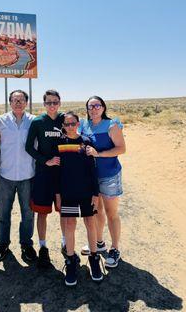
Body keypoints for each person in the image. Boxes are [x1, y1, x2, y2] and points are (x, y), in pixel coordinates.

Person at [56, 111, 103, 286]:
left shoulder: (86, 142)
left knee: (90, 223)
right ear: (63, 126)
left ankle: (94, 258)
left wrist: (95, 193)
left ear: (78, 123)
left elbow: (93, 171)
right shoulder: (60, 143)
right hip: (67, 192)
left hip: (86, 191)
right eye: (66, 124)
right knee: (69, 225)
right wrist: (58, 195)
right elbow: (57, 172)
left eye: (73, 123)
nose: (70, 127)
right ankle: (70, 262)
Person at [79, 96, 126, 268]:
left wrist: (99, 154)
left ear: (103, 107)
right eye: (90, 106)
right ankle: (99, 243)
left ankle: (115, 248)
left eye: (97, 105)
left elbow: (121, 148)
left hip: (109, 174)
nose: (94, 109)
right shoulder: (84, 125)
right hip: (91, 177)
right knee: (96, 211)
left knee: (111, 212)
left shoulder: (111, 125)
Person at [0, 90, 37, 263]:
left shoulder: (34, 121)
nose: (18, 102)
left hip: (28, 175)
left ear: (26, 102)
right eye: (14, 100)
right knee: (4, 212)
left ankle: (26, 244)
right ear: (10, 102)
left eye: (21, 100)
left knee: (28, 213)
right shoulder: (0, 121)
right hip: (6, 175)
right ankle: (2, 244)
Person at [25, 89, 66, 268]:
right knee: (42, 212)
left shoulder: (65, 119)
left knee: (65, 211)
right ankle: (43, 247)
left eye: (55, 102)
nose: (52, 105)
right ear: (44, 104)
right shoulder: (38, 122)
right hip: (43, 174)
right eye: (48, 102)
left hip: (63, 174)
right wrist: (45, 161)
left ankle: (66, 244)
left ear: (60, 103)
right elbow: (29, 147)